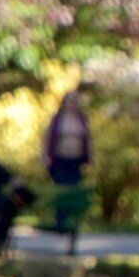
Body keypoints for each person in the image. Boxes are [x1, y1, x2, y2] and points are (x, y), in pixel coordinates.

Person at [44, 90, 96, 252]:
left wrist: (91, 157)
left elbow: (88, 139)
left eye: (75, 101)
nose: (72, 104)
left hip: (76, 161)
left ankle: (71, 224)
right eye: (70, 101)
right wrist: (45, 156)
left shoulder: (81, 120)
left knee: (74, 190)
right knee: (62, 190)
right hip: (60, 160)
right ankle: (60, 221)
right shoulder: (58, 120)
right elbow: (47, 138)